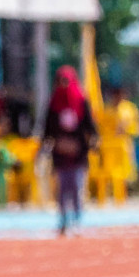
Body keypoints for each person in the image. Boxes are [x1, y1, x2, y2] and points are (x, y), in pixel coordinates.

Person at [42, 66, 97, 236]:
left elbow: (90, 125)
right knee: (61, 188)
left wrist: (93, 141)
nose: (63, 85)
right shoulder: (53, 102)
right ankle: (63, 220)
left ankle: (77, 220)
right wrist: (47, 144)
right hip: (60, 154)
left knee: (76, 187)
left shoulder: (81, 101)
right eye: (60, 81)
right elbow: (47, 128)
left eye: (66, 81)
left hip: (78, 154)